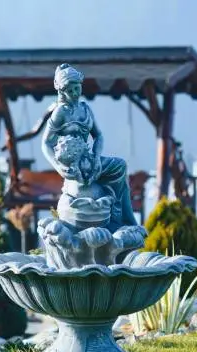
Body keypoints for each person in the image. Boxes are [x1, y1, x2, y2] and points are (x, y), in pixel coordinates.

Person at [41, 63, 137, 229]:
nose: (74, 94)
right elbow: (46, 143)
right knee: (85, 172)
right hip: (71, 160)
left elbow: (98, 135)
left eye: (77, 89)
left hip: (89, 157)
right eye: (70, 91)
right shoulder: (60, 112)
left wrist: (97, 156)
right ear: (62, 91)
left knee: (120, 166)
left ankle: (123, 218)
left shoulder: (85, 109)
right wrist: (58, 167)